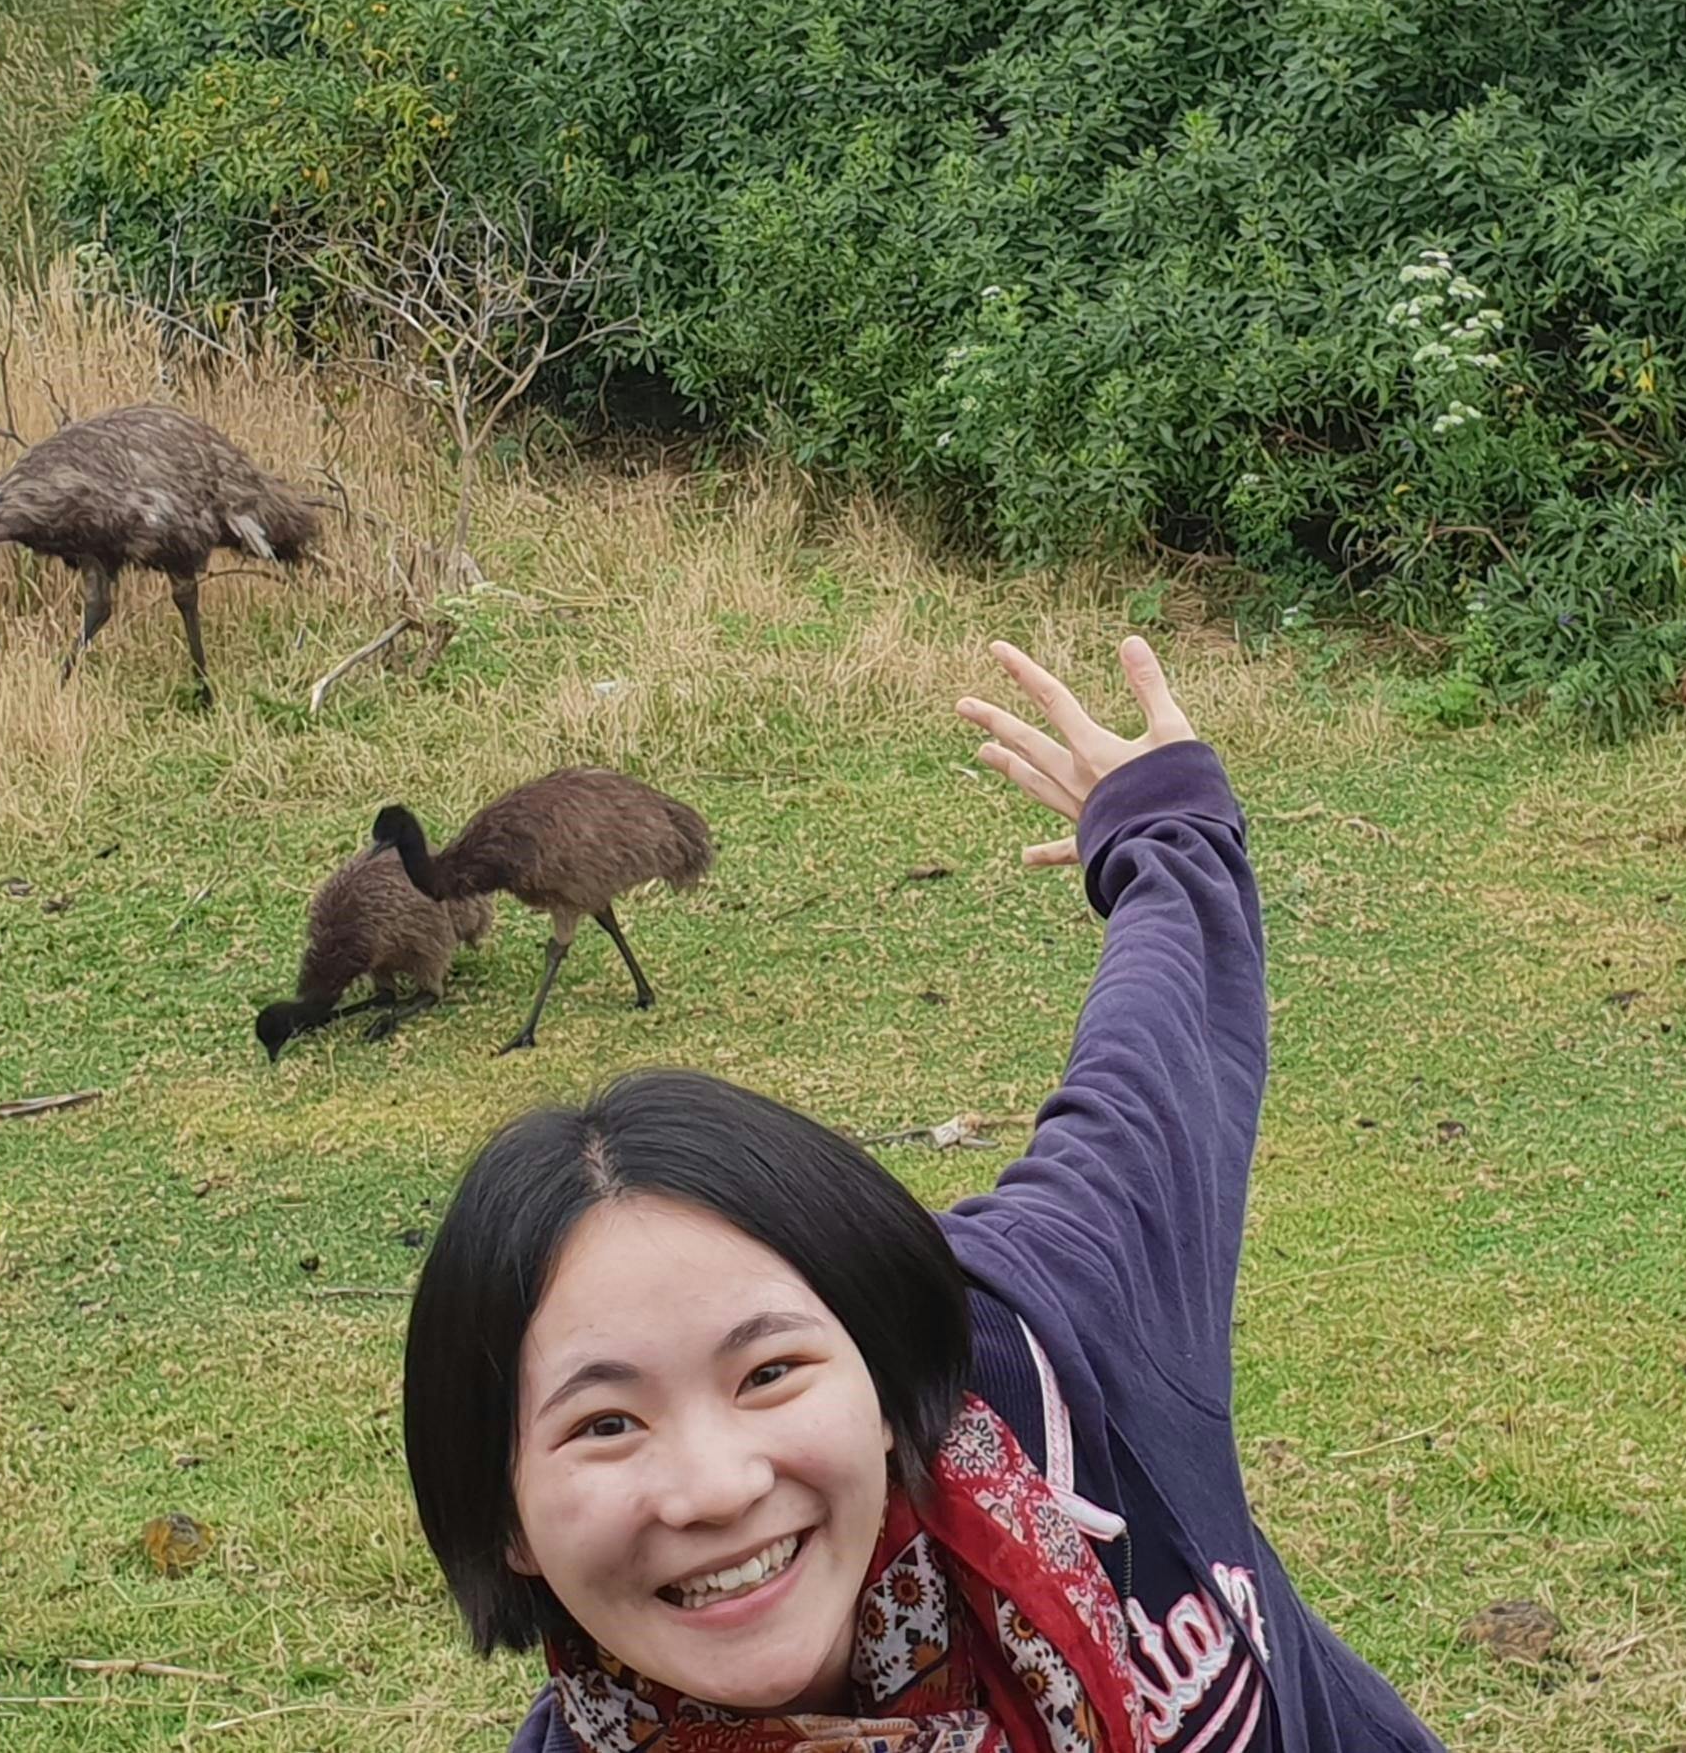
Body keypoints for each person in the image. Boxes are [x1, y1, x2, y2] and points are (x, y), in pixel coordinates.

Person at [403, 636, 1445, 1753]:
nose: (713, 1488)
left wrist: (1158, 816)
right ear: (504, 1514)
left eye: (770, 1369)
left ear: (884, 1364)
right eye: (605, 1423)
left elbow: (1162, 1057)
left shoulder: (1059, 1325)